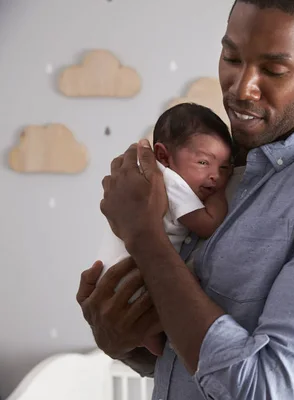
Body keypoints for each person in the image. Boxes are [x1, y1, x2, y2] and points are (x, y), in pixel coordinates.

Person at [76, 0, 294, 398]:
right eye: (231, 57)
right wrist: (121, 342)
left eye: (273, 70)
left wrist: (144, 236)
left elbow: (269, 389)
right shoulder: (207, 173)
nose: (241, 87)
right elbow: (182, 359)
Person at [95, 102, 234, 357]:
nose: (215, 176)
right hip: (130, 275)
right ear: (163, 156)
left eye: (224, 169)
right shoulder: (169, 181)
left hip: (113, 273)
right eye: (204, 162)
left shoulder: (150, 175)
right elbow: (208, 223)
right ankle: (154, 342)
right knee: (179, 298)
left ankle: (151, 341)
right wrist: (220, 196)